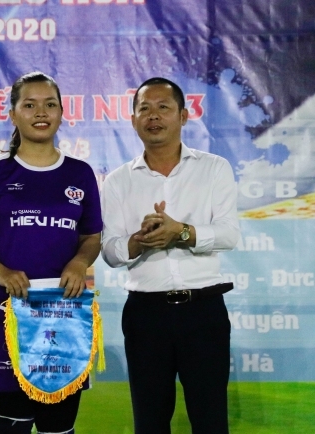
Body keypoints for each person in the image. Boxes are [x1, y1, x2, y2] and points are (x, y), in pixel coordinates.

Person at [0, 71, 102, 434]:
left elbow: (92, 236)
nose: (41, 112)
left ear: (61, 113)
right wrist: (2, 273)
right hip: (8, 314)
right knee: (12, 426)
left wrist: (80, 261)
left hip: (63, 316)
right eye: (30, 104)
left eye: (50, 104)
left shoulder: (81, 174)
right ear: (13, 114)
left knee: (58, 429)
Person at [101, 77, 240, 433]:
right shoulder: (117, 181)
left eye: (163, 107)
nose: (153, 116)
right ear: (133, 120)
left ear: (184, 115)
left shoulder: (214, 168)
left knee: (210, 422)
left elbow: (228, 234)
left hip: (203, 312)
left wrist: (181, 231)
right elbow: (111, 251)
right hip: (145, 316)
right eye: (144, 109)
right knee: (150, 422)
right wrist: (140, 240)